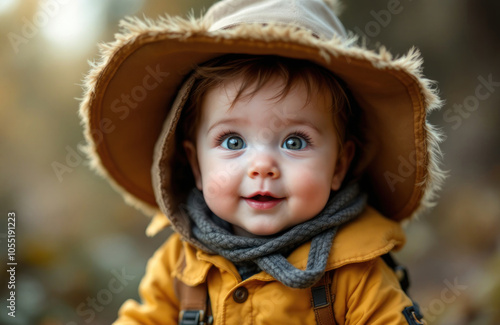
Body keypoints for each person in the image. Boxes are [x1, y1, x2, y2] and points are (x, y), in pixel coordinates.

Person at [79, 0, 445, 323]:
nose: (263, 166)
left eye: (295, 141)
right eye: (233, 141)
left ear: (338, 166)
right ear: (196, 166)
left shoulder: (355, 271)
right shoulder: (180, 264)